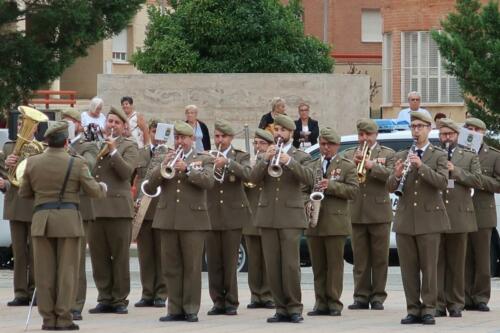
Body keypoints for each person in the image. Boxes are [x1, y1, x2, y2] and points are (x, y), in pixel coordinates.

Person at [18, 121, 106, 331]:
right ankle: (64, 317)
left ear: (47, 141)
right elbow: (94, 191)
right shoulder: (76, 163)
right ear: (66, 141)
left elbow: (24, 194)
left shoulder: (32, 162)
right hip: (68, 220)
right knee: (67, 271)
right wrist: (102, 187)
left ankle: (48, 319)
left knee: (44, 272)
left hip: (42, 220)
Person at [143, 121, 214, 322]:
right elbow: (149, 186)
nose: (180, 141)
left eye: (184, 138)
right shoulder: (164, 157)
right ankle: (174, 308)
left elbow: (209, 182)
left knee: (191, 267)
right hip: (168, 220)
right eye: (178, 138)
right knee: (171, 267)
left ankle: (190, 308)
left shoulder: (203, 158)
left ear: (192, 139)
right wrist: (163, 166)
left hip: (193, 220)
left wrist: (189, 169)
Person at [387, 111, 450, 325]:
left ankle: (429, 309)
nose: (416, 130)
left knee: (429, 268)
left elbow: (442, 182)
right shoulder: (403, 154)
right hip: (405, 220)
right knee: (408, 269)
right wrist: (396, 175)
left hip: (429, 220)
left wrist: (421, 167)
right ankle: (412, 308)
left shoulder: (438, 155)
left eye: (420, 126)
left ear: (429, 128)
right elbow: (389, 186)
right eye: (413, 126)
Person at [250, 114, 314, 324]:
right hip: (268, 216)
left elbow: (310, 179)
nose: (278, 134)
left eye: (282, 131)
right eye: (276, 130)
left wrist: (289, 161)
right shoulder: (265, 154)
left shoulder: (300, 155)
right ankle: (280, 308)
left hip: (291, 216)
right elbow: (252, 179)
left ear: (290, 134)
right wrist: (266, 160)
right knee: (273, 265)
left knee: (290, 265)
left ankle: (294, 307)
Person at [87, 106, 139, 315]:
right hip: (97, 208)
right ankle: (104, 297)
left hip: (118, 209)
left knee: (119, 257)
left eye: (117, 122)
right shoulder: (94, 144)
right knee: (98, 258)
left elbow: (126, 172)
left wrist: (113, 151)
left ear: (124, 126)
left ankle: (119, 299)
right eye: (109, 121)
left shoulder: (129, 146)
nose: (112, 125)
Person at [342, 119, 395, 311]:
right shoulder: (349, 154)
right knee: (360, 258)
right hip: (357, 211)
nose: (364, 138)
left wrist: (372, 166)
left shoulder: (387, 153)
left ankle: (378, 297)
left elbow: (392, 177)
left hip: (379, 212)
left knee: (380, 258)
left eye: (368, 135)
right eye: (361, 135)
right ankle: (361, 296)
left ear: (375, 135)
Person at [305, 127, 359, 317]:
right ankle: (320, 303)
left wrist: (332, 185)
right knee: (318, 266)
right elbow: (303, 189)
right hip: (315, 221)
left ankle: (334, 303)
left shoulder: (346, 165)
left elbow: (353, 191)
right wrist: (307, 203)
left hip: (336, 223)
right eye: (322, 144)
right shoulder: (312, 165)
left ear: (337, 146)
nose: (325, 148)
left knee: (335, 266)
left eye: (329, 144)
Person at [435, 118, 482, 318]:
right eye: (443, 134)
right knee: (436, 264)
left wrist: (456, 170)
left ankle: (455, 304)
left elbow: (478, 181)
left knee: (457, 264)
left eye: (450, 134)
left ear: (457, 135)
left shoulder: (469, 156)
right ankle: (437, 303)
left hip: (459, 215)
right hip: (436, 214)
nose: (446, 138)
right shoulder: (433, 154)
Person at [206, 120, 251, 316]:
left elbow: (249, 174)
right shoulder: (208, 156)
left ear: (230, 138)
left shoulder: (240, 156)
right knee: (214, 262)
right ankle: (217, 301)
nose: (219, 140)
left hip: (232, 216)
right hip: (212, 214)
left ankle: (231, 301)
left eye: (223, 137)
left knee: (230, 261)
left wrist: (229, 163)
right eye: (216, 136)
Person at [0, 109, 43, 306]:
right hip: (15, 203)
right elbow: (4, 177)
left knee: (35, 251)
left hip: (34, 204)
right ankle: (20, 292)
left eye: (27, 125)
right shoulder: (8, 148)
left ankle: (35, 290)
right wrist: (6, 165)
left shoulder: (42, 149)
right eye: (19, 125)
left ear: (35, 128)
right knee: (19, 251)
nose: (22, 128)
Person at [62, 109, 100, 321]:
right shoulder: (55, 146)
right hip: (60, 208)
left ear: (78, 124)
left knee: (76, 261)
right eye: (64, 123)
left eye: (70, 122)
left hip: (80, 209)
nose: (67, 126)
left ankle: (76, 304)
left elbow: (89, 166)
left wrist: (66, 152)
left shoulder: (87, 146)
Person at [464, 118, 500, 312]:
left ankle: (480, 298)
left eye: (477, 129)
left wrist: (478, 180)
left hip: (482, 212)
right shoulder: (457, 153)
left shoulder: (493, 156)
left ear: (483, 133)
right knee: (463, 257)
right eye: (469, 128)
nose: (472, 132)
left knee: (482, 258)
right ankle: (465, 296)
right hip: (461, 211)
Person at [134, 120, 168, 308]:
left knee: (161, 254)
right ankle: (147, 292)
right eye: (153, 131)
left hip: (160, 207)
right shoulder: (142, 152)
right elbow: (137, 177)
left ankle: (161, 293)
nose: (156, 134)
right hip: (143, 209)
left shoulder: (168, 153)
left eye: (158, 131)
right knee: (145, 255)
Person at [243, 129, 275, 309]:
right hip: (251, 214)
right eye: (256, 143)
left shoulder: (273, 160)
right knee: (254, 261)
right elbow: (247, 179)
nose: (258, 147)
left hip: (268, 214)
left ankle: (268, 294)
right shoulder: (249, 161)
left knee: (267, 258)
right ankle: (256, 295)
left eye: (262, 143)